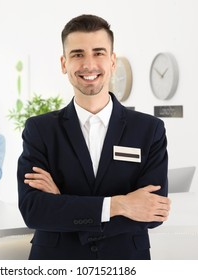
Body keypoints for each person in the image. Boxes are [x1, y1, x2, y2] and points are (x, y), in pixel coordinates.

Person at [17, 14, 170, 260]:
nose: (89, 65)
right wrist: (120, 205)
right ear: (64, 63)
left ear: (112, 62)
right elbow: (34, 210)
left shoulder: (149, 130)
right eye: (77, 54)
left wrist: (63, 203)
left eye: (98, 53)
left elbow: (153, 213)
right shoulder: (40, 130)